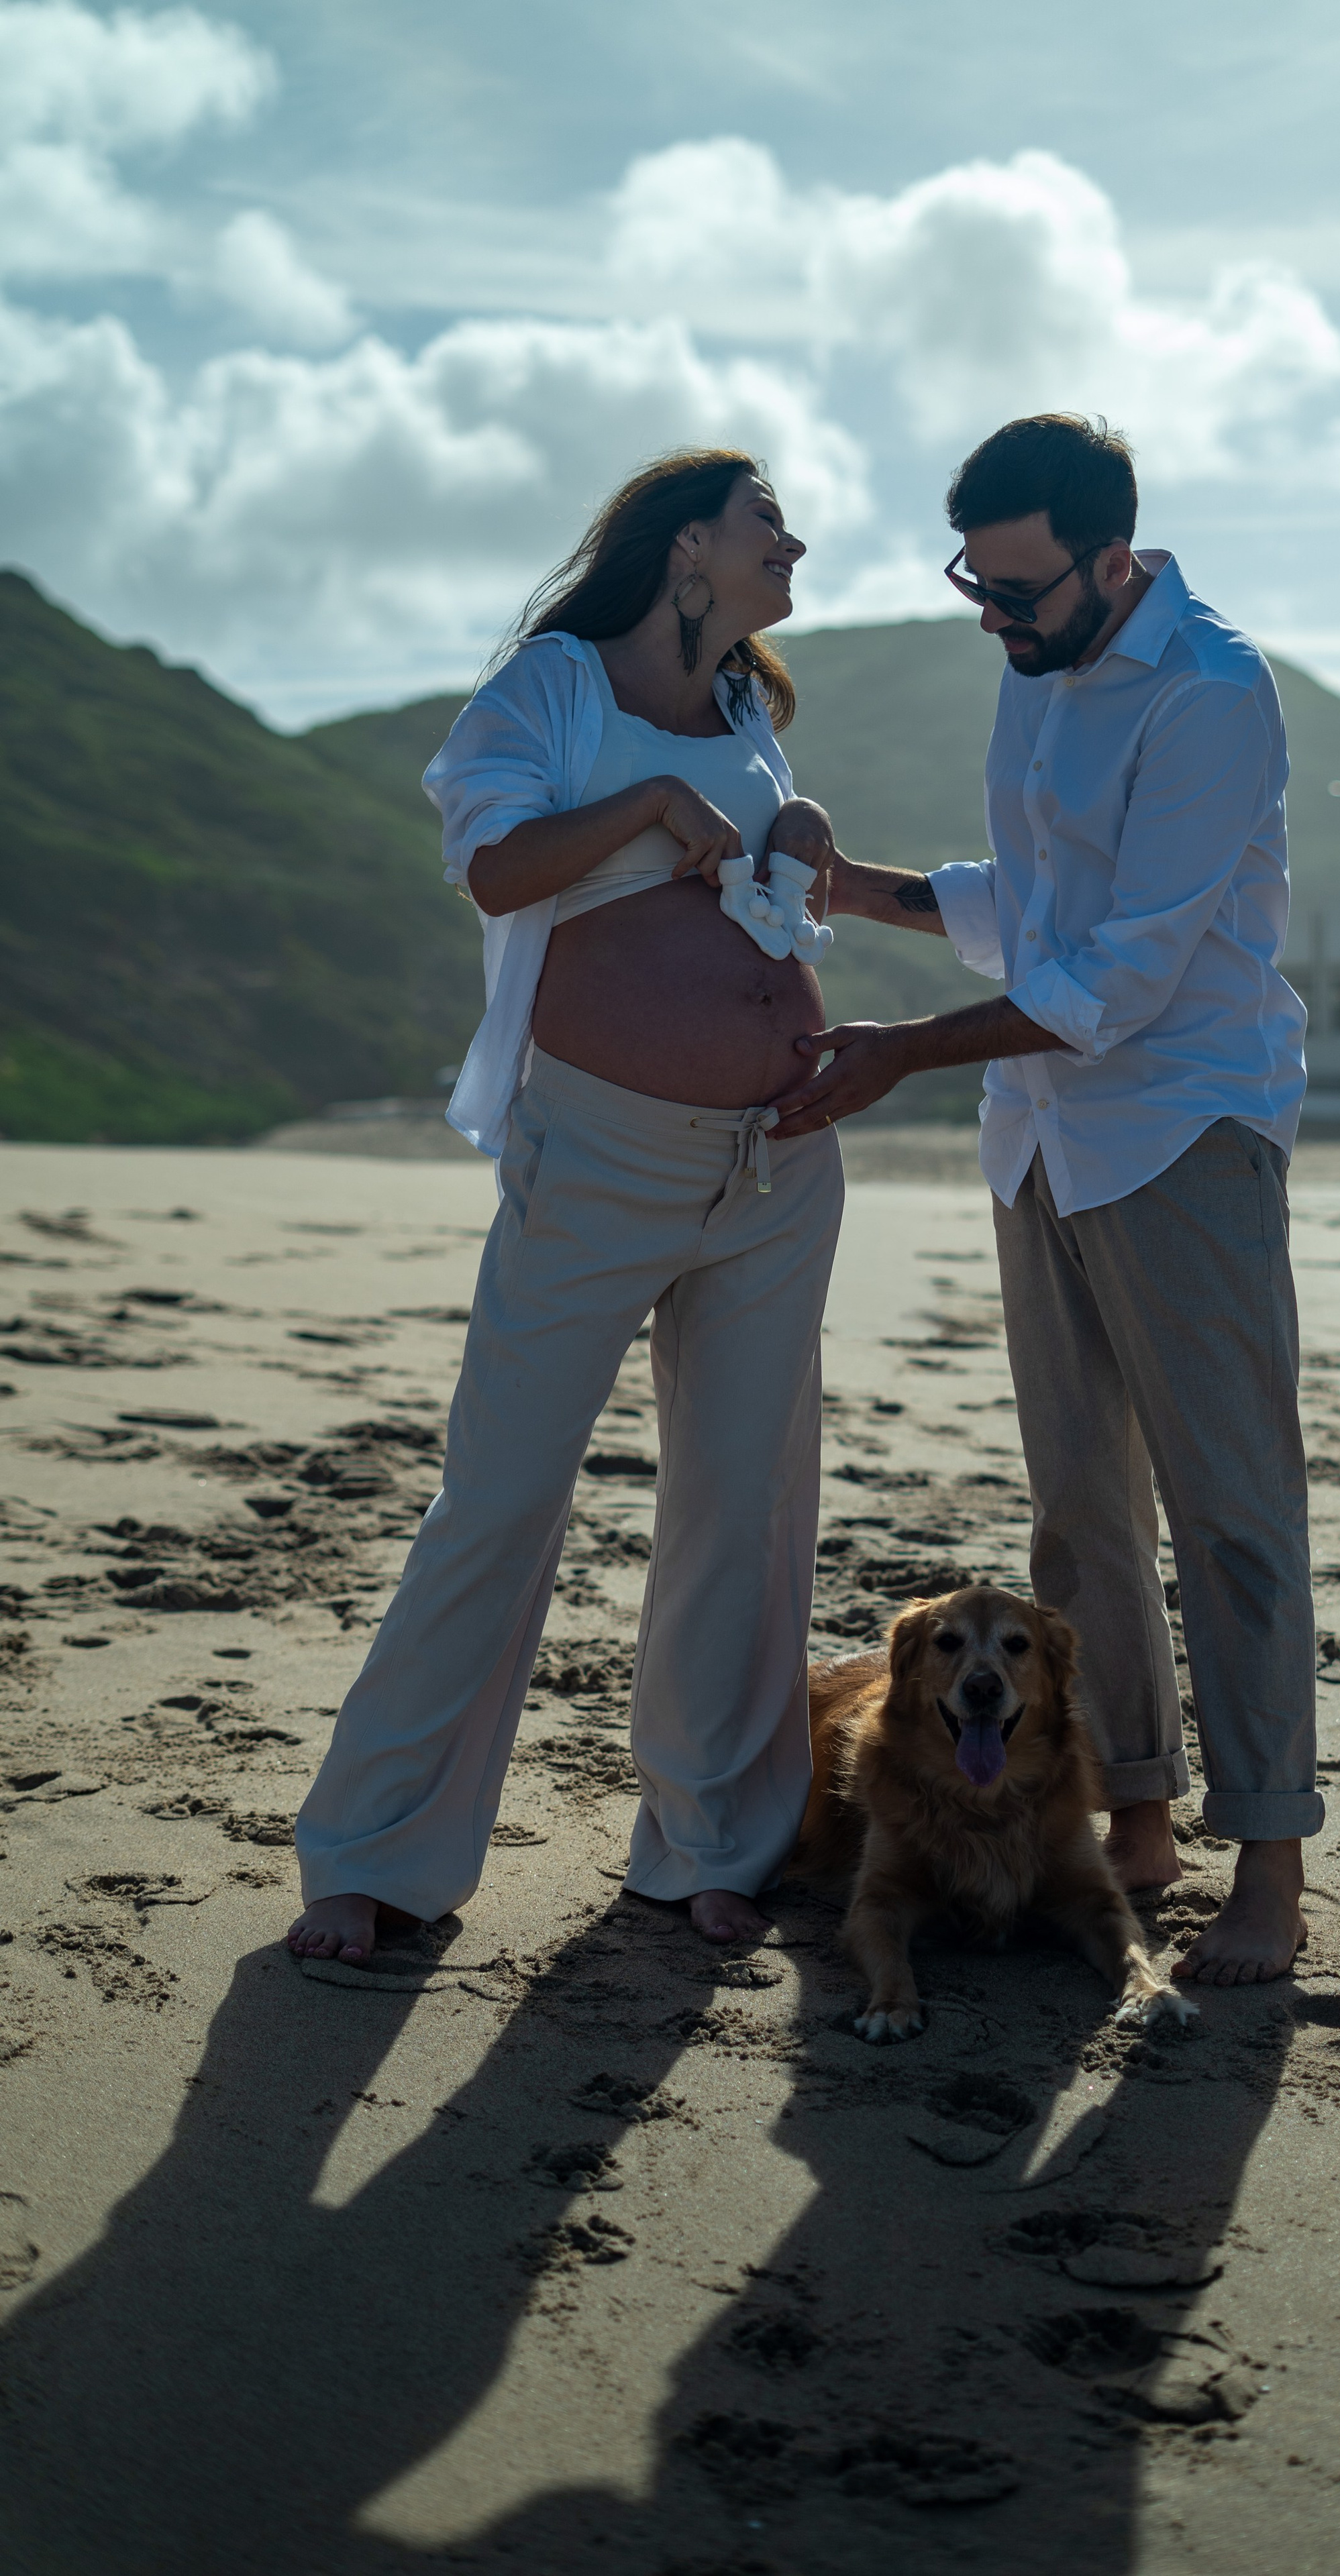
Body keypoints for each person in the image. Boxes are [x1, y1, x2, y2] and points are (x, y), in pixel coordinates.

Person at [772, 413, 1321, 1986]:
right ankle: (1134, 1818)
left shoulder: (1211, 694)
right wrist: (860, 889)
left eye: (1019, 591)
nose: (995, 620)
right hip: (1041, 1135)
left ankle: (1267, 1864)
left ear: (1109, 553)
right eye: (976, 587)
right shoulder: (1036, 677)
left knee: (1232, 1516)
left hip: (1180, 1130)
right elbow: (1034, 909)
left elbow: (1124, 975)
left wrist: (902, 1054)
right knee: (1078, 1523)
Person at [288, 449, 845, 1963]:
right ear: (683, 551)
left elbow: (757, 901)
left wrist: (793, 843)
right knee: (503, 1498)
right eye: (764, 523)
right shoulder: (554, 686)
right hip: (598, 1153)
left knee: (745, 1513)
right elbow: (493, 865)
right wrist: (653, 800)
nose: (792, 543)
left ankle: (708, 1845)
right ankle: (375, 1852)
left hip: (779, 1161)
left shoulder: (747, 707)